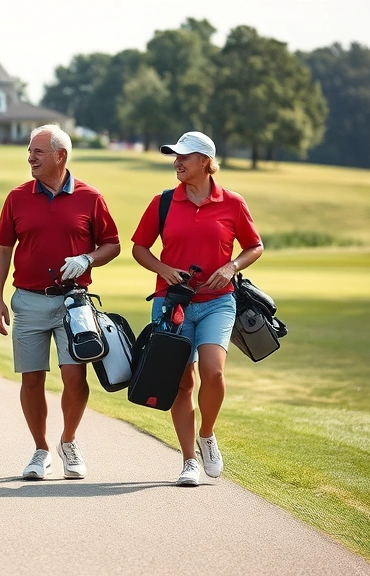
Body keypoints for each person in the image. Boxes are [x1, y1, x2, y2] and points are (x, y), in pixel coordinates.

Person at [131, 131, 263, 486]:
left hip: (218, 302)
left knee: (214, 372)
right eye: (174, 156)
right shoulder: (162, 202)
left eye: (184, 157)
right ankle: (189, 460)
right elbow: (140, 248)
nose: (177, 162)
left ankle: (207, 435)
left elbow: (254, 246)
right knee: (182, 382)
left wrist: (231, 266)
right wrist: (163, 269)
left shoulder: (232, 202)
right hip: (171, 303)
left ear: (206, 161)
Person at [0, 124, 120, 481]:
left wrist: (87, 259)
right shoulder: (17, 197)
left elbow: (112, 243)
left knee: (74, 377)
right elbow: (2, 249)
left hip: (74, 306)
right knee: (31, 378)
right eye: (29, 152)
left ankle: (69, 441)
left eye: (38, 152)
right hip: (28, 302)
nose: (30, 158)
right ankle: (40, 449)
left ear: (60, 156)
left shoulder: (90, 197)